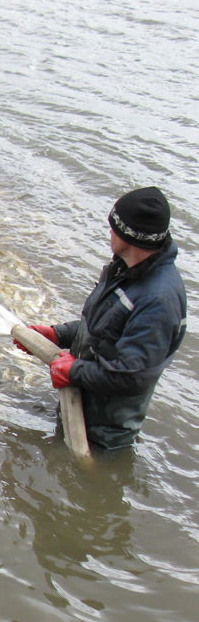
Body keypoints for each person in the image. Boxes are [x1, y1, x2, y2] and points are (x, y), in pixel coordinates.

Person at [16, 186, 187, 449]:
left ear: (130, 235)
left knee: (82, 479)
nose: (109, 232)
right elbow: (103, 330)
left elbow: (131, 378)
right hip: (81, 406)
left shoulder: (158, 301)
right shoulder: (125, 269)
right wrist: (58, 334)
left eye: (114, 227)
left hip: (102, 435)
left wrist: (74, 370)